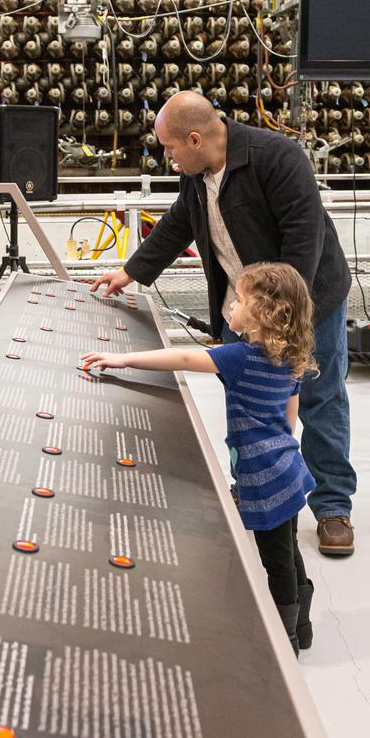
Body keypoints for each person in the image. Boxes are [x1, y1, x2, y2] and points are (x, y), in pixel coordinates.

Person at [91, 91, 357, 556]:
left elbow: (304, 240)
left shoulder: (277, 158)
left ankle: (332, 506)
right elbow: (178, 224)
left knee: (319, 399)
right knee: (252, 402)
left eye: (171, 149)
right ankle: (254, 486)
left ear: (195, 139)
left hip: (308, 301)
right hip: (246, 308)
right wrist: (132, 271)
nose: (167, 158)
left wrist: (288, 322)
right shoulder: (197, 176)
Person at [83, 262, 317, 655]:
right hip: (289, 469)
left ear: (262, 312)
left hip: (264, 477)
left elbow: (187, 359)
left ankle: (286, 642)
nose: (231, 307)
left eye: (239, 300)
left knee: (275, 560)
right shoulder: (290, 355)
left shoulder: (242, 357)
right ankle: (304, 627)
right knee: (289, 550)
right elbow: (291, 417)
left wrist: (122, 360)